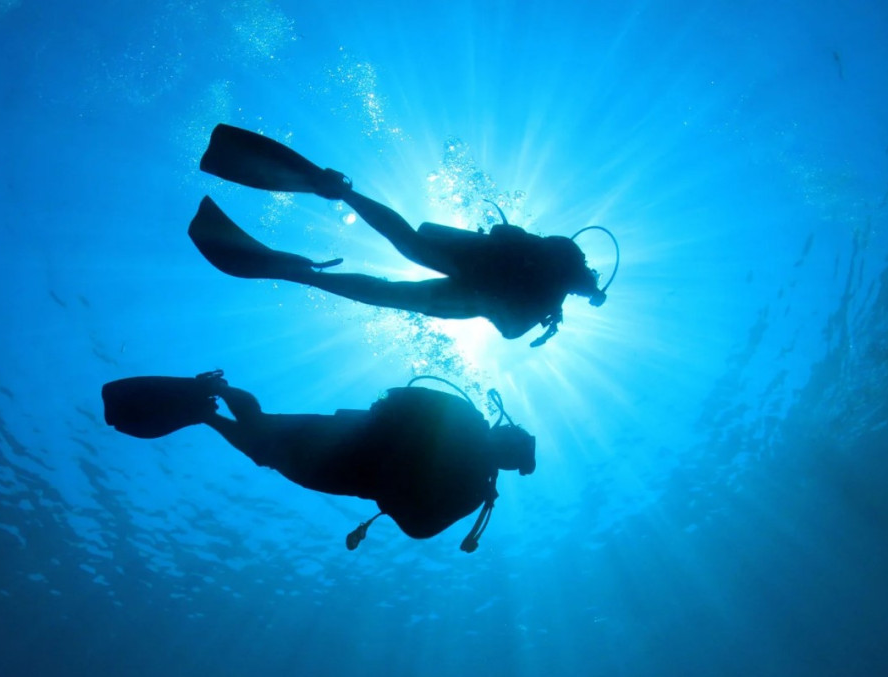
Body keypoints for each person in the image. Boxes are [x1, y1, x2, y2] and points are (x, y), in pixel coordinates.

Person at [187, 123, 617, 347]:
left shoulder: (554, 284)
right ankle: (320, 241)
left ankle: (329, 218)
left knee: (399, 264)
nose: (586, 288)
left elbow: (508, 320)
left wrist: (528, 306)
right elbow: (509, 312)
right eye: (589, 286)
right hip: (476, 273)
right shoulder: (559, 268)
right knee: (396, 270)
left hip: (473, 280)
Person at [101, 371, 536, 551]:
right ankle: (214, 399)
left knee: (262, 448)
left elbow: (418, 527)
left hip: (342, 456)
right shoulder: (473, 475)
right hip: (343, 454)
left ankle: (208, 409)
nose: (503, 446)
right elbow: (398, 400)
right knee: (263, 438)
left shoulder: (474, 482)